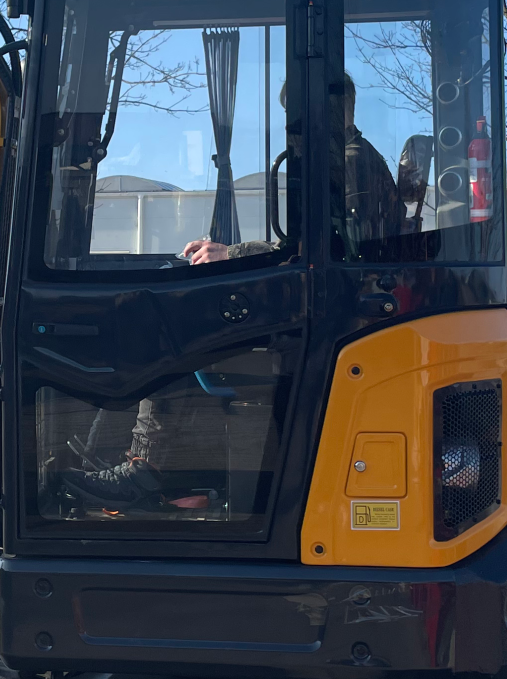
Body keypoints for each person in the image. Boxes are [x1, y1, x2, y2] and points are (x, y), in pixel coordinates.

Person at [60, 73, 401, 514]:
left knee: (173, 328)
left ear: (335, 112)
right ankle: (180, 476)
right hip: (336, 308)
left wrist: (231, 254)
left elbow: (319, 252)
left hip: (333, 318)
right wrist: (233, 256)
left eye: (298, 119)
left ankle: (149, 469)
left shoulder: (349, 165)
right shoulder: (351, 159)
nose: (293, 131)